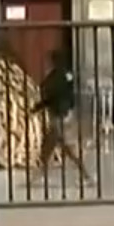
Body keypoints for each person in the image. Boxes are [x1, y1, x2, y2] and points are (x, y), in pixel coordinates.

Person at [33, 48, 90, 183]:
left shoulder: (53, 78)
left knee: (60, 147)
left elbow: (50, 96)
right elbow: (69, 91)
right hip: (65, 114)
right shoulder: (67, 75)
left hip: (58, 115)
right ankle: (38, 175)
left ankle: (85, 175)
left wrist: (37, 107)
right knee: (50, 146)